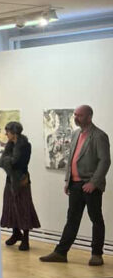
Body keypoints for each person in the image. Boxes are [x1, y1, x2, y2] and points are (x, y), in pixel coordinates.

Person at [40, 104, 110, 266]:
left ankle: (97, 254)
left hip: (90, 186)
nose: (76, 118)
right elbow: (71, 157)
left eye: (79, 115)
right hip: (75, 185)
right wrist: (68, 180)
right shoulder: (76, 134)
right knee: (72, 219)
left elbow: (105, 161)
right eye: (75, 115)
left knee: (96, 219)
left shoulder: (99, 136)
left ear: (89, 117)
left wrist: (94, 182)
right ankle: (60, 253)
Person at [0, 121, 40, 250]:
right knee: (11, 206)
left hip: (21, 180)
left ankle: (25, 239)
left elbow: (17, 163)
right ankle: (16, 233)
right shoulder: (10, 145)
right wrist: (7, 161)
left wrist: (6, 161)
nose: (6, 134)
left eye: (7, 132)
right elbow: (0, 162)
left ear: (14, 132)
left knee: (23, 208)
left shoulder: (25, 146)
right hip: (10, 180)